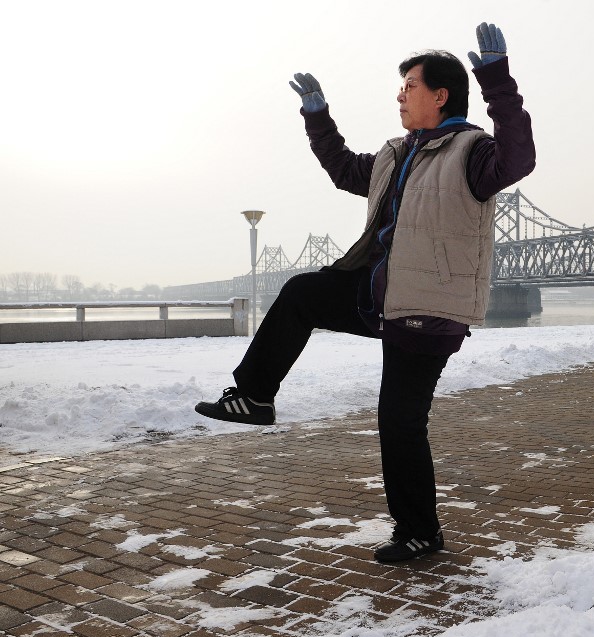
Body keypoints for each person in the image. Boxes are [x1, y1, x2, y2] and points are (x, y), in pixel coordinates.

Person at [194, 23, 535, 563]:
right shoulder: (397, 155)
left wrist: (497, 79)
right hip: (377, 294)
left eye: (409, 86)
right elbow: (342, 167)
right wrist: (317, 115)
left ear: (440, 95)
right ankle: (255, 396)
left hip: (426, 310)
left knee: (399, 422)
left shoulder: (472, 153)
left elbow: (519, 160)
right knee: (304, 291)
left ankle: (419, 532)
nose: (399, 95)